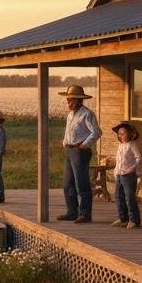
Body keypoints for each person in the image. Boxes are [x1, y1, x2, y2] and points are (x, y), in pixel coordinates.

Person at [57, 84, 100, 223]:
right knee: (67, 183)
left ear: (79, 100)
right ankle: (72, 211)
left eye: (71, 100)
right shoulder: (70, 115)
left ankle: (85, 213)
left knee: (81, 183)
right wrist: (65, 142)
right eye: (68, 100)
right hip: (70, 149)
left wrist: (85, 144)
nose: (69, 103)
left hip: (80, 150)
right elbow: (68, 131)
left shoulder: (87, 114)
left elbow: (96, 132)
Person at [109, 121, 141, 229]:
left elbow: (138, 158)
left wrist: (131, 168)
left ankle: (134, 219)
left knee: (129, 197)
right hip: (119, 174)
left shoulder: (132, 145)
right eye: (119, 134)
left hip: (129, 175)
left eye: (123, 133)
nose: (120, 135)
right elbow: (119, 160)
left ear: (130, 133)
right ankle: (123, 217)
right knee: (118, 196)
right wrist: (116, 171)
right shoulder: (121, 146)